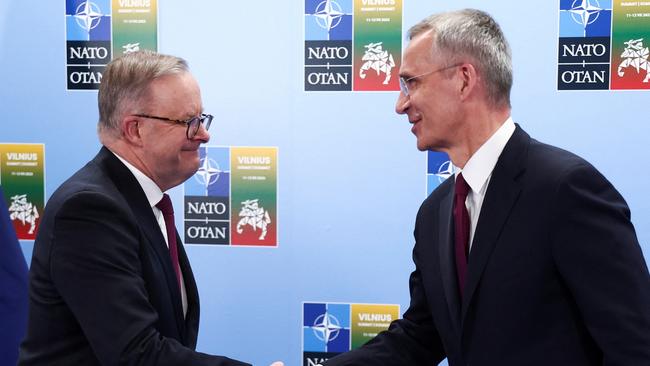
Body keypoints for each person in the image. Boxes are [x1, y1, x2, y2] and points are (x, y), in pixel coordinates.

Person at [323, 9, 650, 366]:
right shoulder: (435, 213)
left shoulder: (564, 189)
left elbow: (635, 347)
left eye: (411, 82)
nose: (400, 104)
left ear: (464, 79)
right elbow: (419, 337)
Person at [18, 51, 280, 366]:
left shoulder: (138, 199)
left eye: (202, 119)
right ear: (135, 129)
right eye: (188, 122)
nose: (203, 134)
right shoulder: (89, 210)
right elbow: (137, 354)